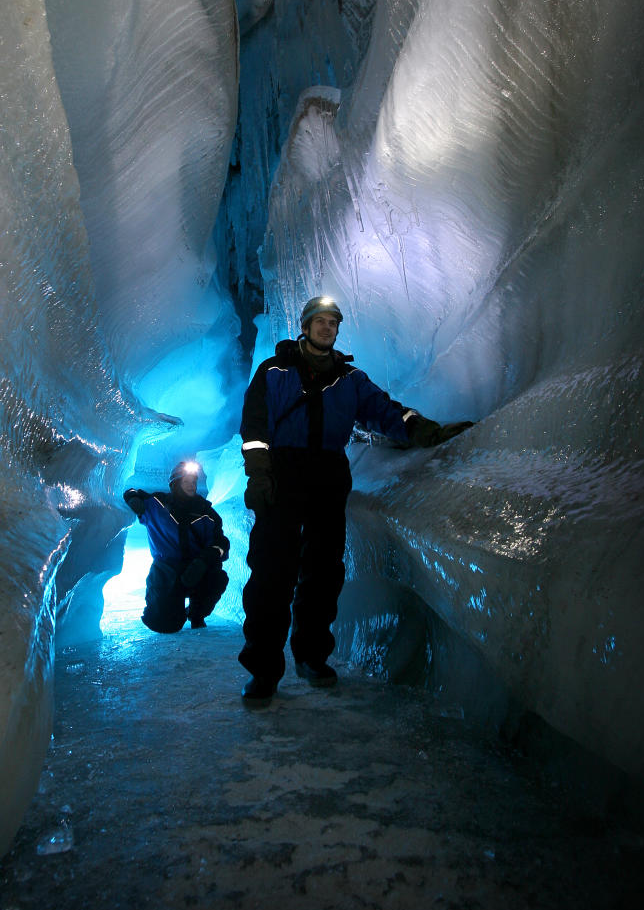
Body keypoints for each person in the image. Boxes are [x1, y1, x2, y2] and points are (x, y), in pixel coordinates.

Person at [238, 296, 473, 706]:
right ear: (305, 326)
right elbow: (255, 428)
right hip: (284, 475)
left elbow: (388, 414)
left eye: (333, 323)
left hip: (328, 475)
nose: (327, 328)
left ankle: (311, 656)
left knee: (323, 571)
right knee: (272, 573)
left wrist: (427, 432)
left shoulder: (351, 380)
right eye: (320, 322)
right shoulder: (274, 371)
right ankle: (263, 671)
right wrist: (259, 475)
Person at [123, 460, 230, 633]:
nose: (191, 486)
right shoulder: (157, 504)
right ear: (175, 484)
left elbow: (221, 543)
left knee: (217, 578)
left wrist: (204, 561)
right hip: (166, 571)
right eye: (186, 482)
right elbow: (131, 492)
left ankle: (196, 614)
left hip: (196, 569)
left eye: (194, 482)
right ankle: (165, 609)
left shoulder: (207, 513)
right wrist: (132, 497)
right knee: (164, 625)